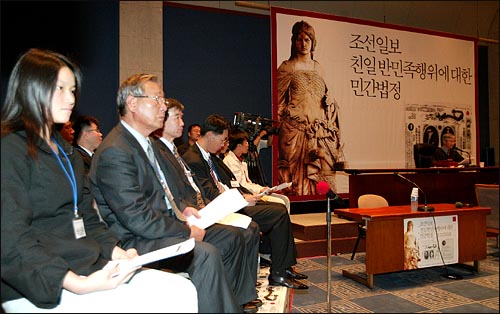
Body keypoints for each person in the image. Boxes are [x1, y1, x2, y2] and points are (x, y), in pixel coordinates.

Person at [1, 48, 197, 313]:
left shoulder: (66, 152)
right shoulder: (10, 149)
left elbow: (88, 218)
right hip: (41, 281)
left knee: (180, 290)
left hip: (82, 263)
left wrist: (117, 252)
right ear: (31, 88)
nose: (70, 98)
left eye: (73, 90)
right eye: (61, 88)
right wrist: (79, 284)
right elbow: (11, 240)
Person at [89, 74, 258, 313]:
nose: (163, 106)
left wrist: (181, 211)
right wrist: (185, 230)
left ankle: (225, 302)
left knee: (229, 238)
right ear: (132, 104)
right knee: (205, 254)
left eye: (163, 100)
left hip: (155, 228)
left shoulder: (142, 142)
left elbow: (160, 195)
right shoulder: (116, 151)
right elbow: (137, 218)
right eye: (157, 99)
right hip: (132, 240)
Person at [152, 98, 262, 311]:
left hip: (196, 211)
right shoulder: (161, 151)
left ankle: (236, 296)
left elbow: (188, 188)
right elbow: (170, 194)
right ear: (162, 121)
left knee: (244, 230)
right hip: (183, 219)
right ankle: (230, 298)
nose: (183, 123)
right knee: (232, 237)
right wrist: (189, 217)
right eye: (177, 117)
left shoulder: (172, 150)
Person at [183, 114, 309, 290]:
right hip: (220, 209)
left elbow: (225, 183)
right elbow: (210, 193)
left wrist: (245, 196)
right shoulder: (194, 158)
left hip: (231, 201)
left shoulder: (207, 156)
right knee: (278, 213)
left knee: (278, 207)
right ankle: (279, 272)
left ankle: (284, 267)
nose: (224, 144)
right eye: (223, 139)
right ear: (211, 135)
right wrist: (241, 199)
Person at [277, 20, 344, 196]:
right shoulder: (287, 67)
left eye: (307, 39)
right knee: (298, 181)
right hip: (295, 132)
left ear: (313, 42)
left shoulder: (319, 68)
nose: (303, 43)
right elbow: (278, 102)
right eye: (300, 39)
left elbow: (326, 99)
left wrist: (331, 103)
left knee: (322, 175)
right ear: (294, 42)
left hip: (319, 131)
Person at [225, 128, 291, 214]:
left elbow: (248, 183)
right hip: (246, 195)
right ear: (239, 146)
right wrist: (260, 190)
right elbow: (242, 186)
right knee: (280, 203)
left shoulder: (241, 161)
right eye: (246, 142)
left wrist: (262, 189)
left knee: (285, 199)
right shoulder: (230, 162)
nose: (248, 145)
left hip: (252, 191)